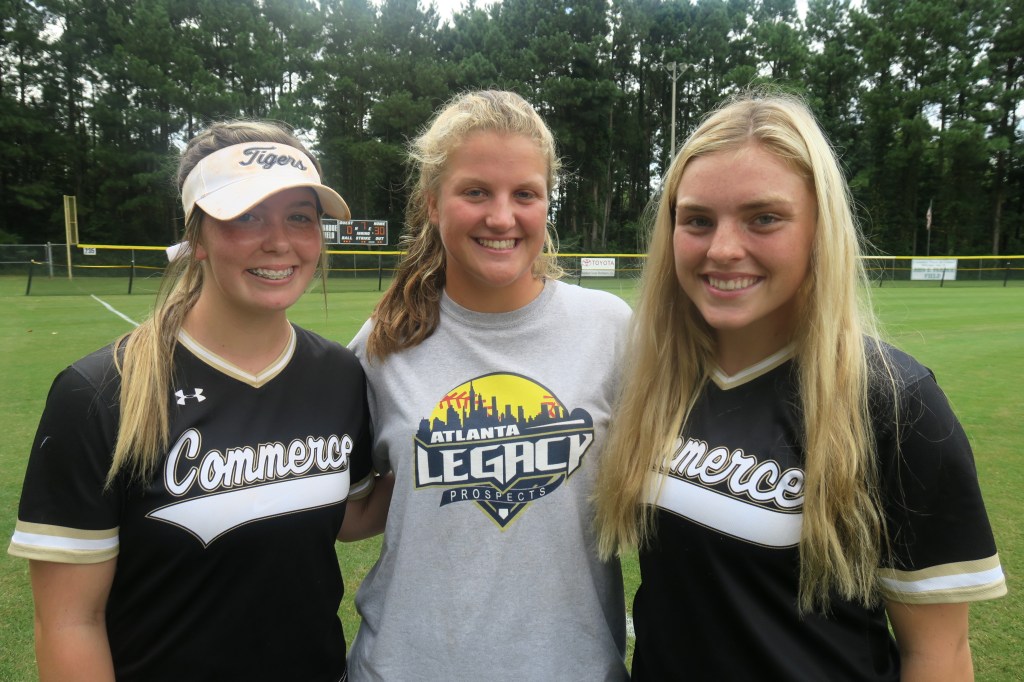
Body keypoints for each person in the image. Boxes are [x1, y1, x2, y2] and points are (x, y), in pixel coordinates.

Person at [594, 92, 1007, 681]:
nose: (723, 249)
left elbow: (939, 653)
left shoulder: (895, 401)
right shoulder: (655, 381)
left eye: (764, 218)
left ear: (819, 229)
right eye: (698, 220)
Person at [8, 120, 392, 682]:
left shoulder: (338, 373)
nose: (279, 241)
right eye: (246, 216)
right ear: (199, 236)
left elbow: (348, 514)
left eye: (299, 217)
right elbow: (69, 622)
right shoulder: (99, 392)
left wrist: (441, 455)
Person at [346, 89, 630, 680]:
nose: (502, 217)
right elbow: (352, 516)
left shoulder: (609, 329)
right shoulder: (383, 344)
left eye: (525, 194)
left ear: (547, 202)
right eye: (475, 192)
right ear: (432, 203)